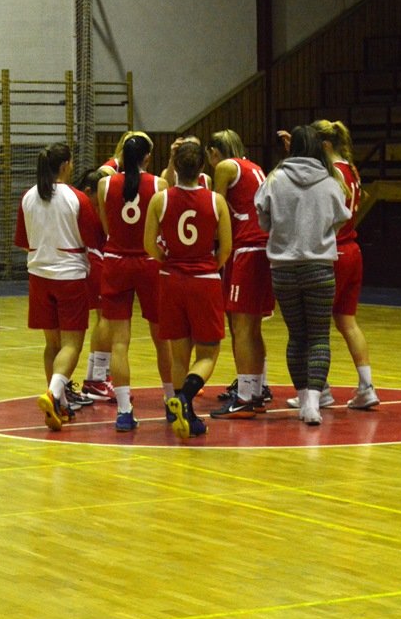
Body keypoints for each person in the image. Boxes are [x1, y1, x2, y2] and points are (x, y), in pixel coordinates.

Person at [281, 120, 381, 410]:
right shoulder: (350, 168)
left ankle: (319, 389)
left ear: (323, 145)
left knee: (315, 327)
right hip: (353, 249)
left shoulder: (331, 173)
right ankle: (366, 385)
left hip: (333, 251)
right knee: (347, 322)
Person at [254, 126, 350, 425]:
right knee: (319, 336)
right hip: (320, 267)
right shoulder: (331, 181)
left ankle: (301, 394)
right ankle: (312, 405)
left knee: (297, 336)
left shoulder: (275, 179)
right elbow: (341, 220)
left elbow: (263, 220)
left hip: (283, 269)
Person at [144, 140, 232, 439]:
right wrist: (209, 266)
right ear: (202, 169)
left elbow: (148, 245)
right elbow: (226, 249)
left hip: (171, 278)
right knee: (208, 353)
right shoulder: (215, 201)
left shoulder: (160, 199)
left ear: (176, 167)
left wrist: (168, 260)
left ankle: (187, 414)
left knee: (179, 355)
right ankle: (184, 401)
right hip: (204, 279)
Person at [14, 142, 95, 431]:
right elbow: (93, 238)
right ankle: (54, 393)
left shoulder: (28, 198)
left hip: (38, 276)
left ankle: (58, 405)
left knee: (52, 344)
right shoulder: (76, 198)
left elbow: (24, 241)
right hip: (70, 276)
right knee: (72, 343)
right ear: (64, 166)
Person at [97, 133, 172, 432]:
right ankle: (171, 401)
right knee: (161, 339)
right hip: (148, 262)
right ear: (147, 158)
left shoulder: (104, 185)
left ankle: (125, 411)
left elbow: (107, 227)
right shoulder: (159, 185)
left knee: (119, 343)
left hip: (115, 261)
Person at [205, 130, 273, 419]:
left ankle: (245, 396)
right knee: (250, 326)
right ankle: (256, 388)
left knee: (242, 327)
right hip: (261, 247)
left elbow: (214, 209)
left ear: (214, 152)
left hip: (246, 248)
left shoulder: (225, 167)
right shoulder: (254, 166)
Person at [74, 167, 115, 402]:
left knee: (105, 319)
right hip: (93, 262)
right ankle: (97, 378)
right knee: (105, 319)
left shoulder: (86, 203)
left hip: (94, 261)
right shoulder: (85, 206)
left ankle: (95, 377)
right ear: (89, 190)